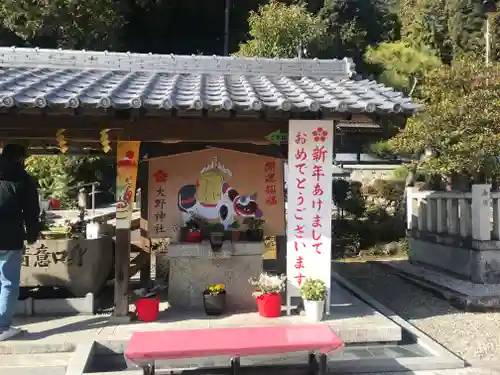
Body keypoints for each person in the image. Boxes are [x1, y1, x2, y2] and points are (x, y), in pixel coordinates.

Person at [0, 144, 40, 341]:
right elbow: (31, 211)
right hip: (9, 237)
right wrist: (32, 234)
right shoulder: (22, 179)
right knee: (8, 282)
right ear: (21, 159)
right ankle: (1, 327)